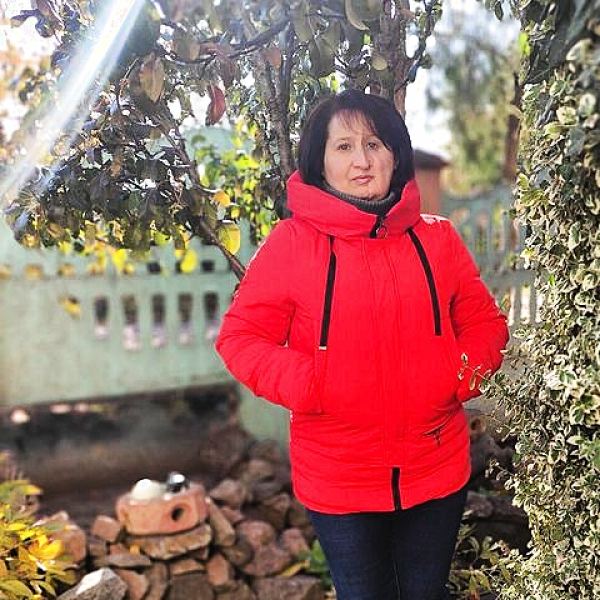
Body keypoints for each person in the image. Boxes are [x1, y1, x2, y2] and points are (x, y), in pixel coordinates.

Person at [215, 90, 509, 600]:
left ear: (395, 154)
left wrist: (454, 375)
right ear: (321, 161)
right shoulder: (292, 244)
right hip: (340, 480)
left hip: (435, 468)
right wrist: (313, 383)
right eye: (344, 146)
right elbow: (240, 338)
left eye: (374, 144)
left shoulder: (438, 240)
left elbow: (485, 324)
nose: (362, 160)